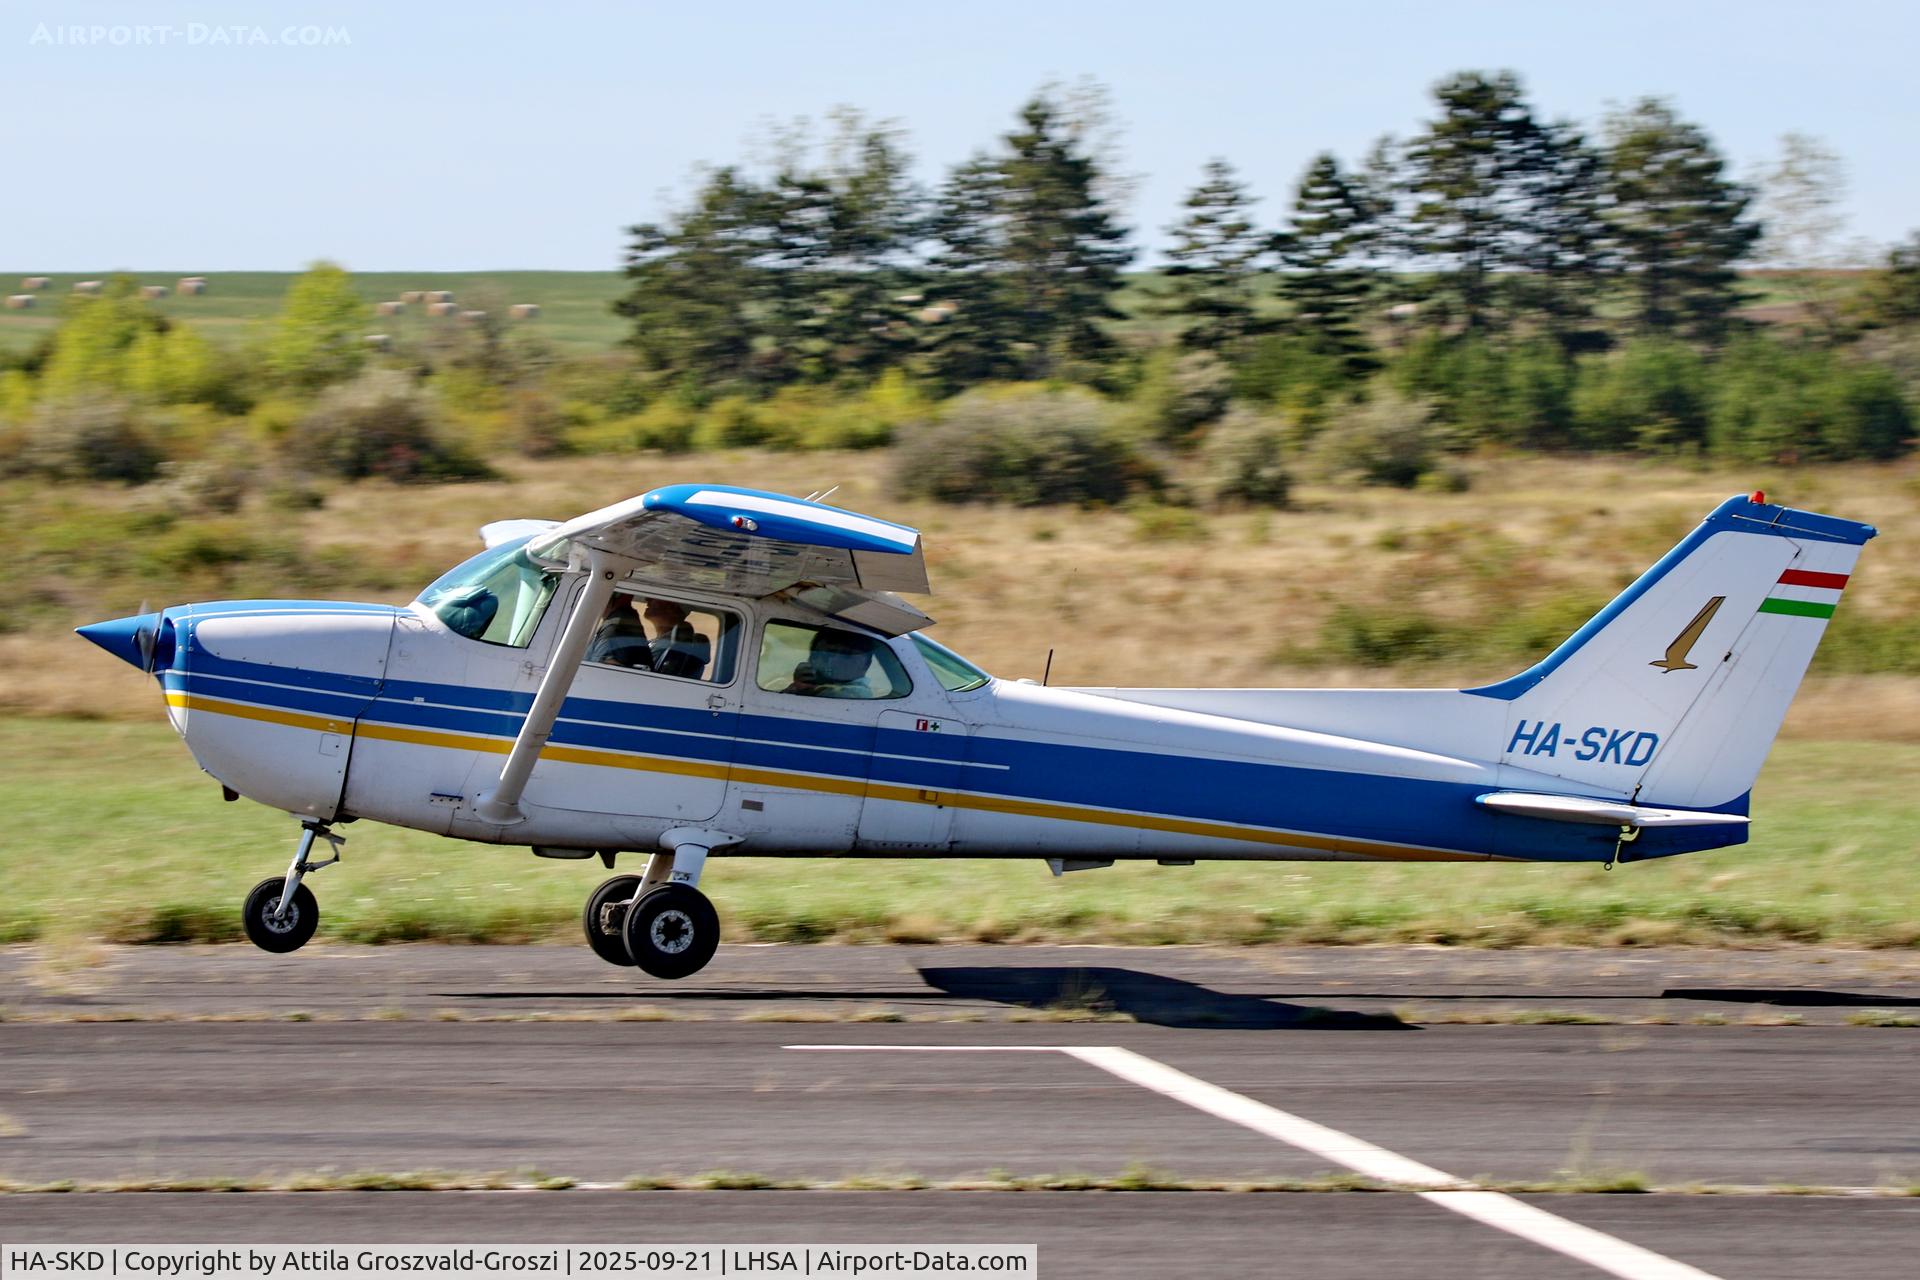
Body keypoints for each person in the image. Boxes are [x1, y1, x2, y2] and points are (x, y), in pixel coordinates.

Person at [782, 628, 875, 698]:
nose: (835, 660)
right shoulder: (809, 686)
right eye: (827, 655)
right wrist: (795, 687)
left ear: (866, 664)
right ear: (811, 660)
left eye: (847, 655)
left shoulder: (857, 694)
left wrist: (803, 690)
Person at [639, 598, 709, 679]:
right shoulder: (660, 645)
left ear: (672, 606)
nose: (647, 599)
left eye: (656, 597)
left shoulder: (671, 648)